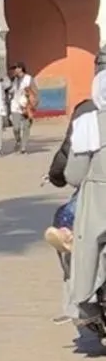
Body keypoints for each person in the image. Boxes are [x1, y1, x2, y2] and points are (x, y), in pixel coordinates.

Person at [60, 69, 106, 329]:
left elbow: (74, 175)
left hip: (99, 203)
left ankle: (85, 305)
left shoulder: (88, 124)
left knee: (85, 247)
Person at [8, 61, 38, 154]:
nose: (14, 71)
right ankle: (18, 140)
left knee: (26, 127)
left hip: (26, 106)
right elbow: (10, 91)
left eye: (16, 68)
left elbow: (35, 92)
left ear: (21, 68)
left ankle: (23, 147)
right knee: (16, 128)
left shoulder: (29, 79)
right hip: (15, 106)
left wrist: (32, 105)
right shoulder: (13, 80)